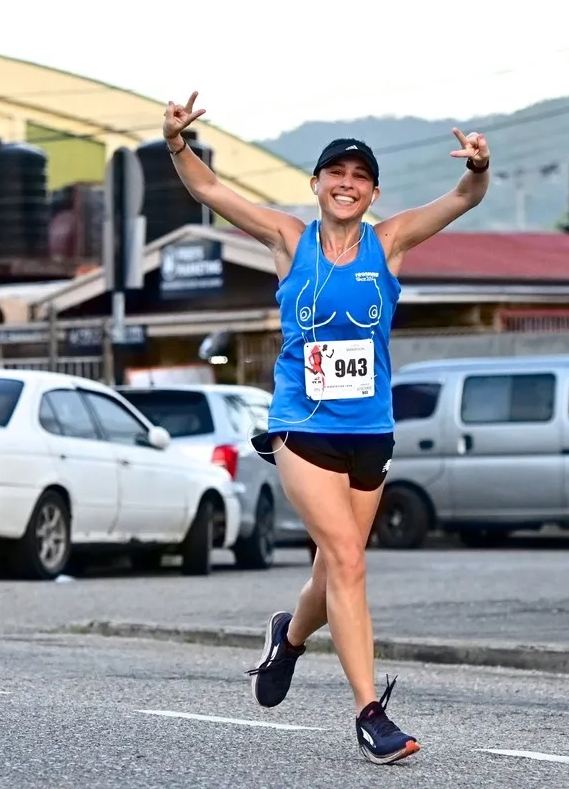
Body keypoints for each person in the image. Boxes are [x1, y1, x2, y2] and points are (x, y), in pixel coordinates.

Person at [161, 92, 490, 765]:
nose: (347, 183)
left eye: (360, 176)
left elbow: (463, 198)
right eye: (335, 173)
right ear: (316, 184)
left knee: (331, 569)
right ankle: (371, 716)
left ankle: (287, 640)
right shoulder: (289, 238)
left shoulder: (390, 241)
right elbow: (211, 190)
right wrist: (175, 143)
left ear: (373, 193)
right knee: (348, 561)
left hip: (370, 430)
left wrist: (478, 168)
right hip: (301, 425)